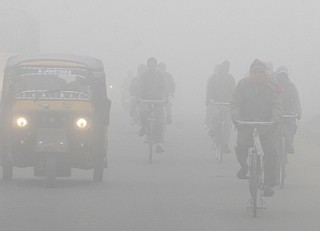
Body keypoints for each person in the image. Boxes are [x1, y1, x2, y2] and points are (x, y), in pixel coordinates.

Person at [231, 59, 282, 196]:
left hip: (266, 126)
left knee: (271, 151)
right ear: (250, 73)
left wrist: (275, 119)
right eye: (254, 72)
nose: (257, 75)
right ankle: (244, 167)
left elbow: (276, 105)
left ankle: (268, 183)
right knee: (241, 145)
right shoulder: (242, 85)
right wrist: (236, 118)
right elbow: (235, 103)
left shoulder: (272, 87)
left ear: (265, 74)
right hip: (245, 124)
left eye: (260, 72)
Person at [137, 57, 167, 153]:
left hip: (158, 100)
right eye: (150, 64)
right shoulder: (144, 76)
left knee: (159, 121)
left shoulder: (161, 76)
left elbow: (164, 87)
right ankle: (144, 127)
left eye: (153, 64)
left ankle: (159, 144)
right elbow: (140, 87)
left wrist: (165, 98)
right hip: (146, 99)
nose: (151, 66)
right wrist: (139, 97)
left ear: (156, 65)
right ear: (147, 65)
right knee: (143, 112)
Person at [206, 61, 235, 153]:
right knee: (213, 116)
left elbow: (234, 90)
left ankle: (225, 144)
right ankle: (212, 129)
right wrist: (209, 99)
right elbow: (209, 89)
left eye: (228, 68)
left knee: (227, 125)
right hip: (215, 103)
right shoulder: (213, 78)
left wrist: (234, 101)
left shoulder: (230, 78)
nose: (226, 69)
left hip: (227, 103)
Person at [276, 66, 301, 153]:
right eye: (281, 75)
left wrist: (298, 112)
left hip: (289, 114)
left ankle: (289, 144)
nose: (282, 77)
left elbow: (296, 100)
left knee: (292, 127)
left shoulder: (291, 86)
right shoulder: (274, 85)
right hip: (276, 113)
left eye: (284, 75)